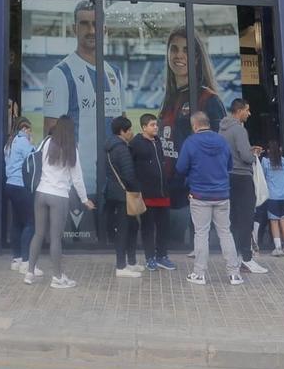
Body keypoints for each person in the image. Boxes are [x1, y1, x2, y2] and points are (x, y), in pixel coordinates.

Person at [44, 1, 123, 232]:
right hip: (77, 186)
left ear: (105, 30)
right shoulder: (60, 73)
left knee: (110, 241)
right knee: (82, 244)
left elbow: (123, 126)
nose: (91, 30)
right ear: (74, 29)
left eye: (97, 24)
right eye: (84, 24)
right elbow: (52, 132)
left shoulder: (114, 73)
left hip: (111, 182)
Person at [157, 29, 224, 254]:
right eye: (174, 49)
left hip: (192, 199)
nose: (179, 55)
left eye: (186, 50)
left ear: (197, 58)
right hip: (168, 195)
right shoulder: (169, 99)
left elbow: (219, 150)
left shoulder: (207, 99)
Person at [24, 115, 94, 288]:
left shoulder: (47, 142)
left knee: (38, 234)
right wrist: (85, 199)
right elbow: (77, 178)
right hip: (59, 196)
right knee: (55, 238)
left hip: (41, 192)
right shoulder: (71, 148)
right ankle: (57, 277)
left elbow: (35, 159)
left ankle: (29, 273)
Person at [176, 110, 245, 286]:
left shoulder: (191, 142)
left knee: (201, 234)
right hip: (222, 194)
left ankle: (199, 273)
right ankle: (234, 274)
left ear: (194, 125)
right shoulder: (222, 141)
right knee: (225, 233)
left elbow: (181, 167)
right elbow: (230, 165)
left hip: (199, 195)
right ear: (208, 123)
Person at [219, 97, 269, 275]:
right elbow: (246, 157)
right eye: (247, 110)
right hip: (242, 177)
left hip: (228, 177)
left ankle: (236, 258)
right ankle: (246, 259)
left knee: (233, 220)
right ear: (239, 111)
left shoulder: (222, 130)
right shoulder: (239, 130)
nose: (249, 113)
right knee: (246, 219)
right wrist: (252, 153)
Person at [131, 113, 174, 270]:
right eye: (152, 125)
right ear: (143, 127)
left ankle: (162, 255)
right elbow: (131, 168)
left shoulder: (157, 141)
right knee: (148, 228)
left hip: (163, 194)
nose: (156, 127)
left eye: (156, 124)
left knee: (163, 227)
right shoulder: (136, 143)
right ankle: (150, 258)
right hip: (147, 195)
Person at [103, 114, 142, 278]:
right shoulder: (121, 148)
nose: (131, 132)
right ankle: (121, 266)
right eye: (129, 130)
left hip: (114, 193)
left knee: (131, 227)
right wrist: (137, 192)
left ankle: (131, 262)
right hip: (124, 195)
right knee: (126, 230)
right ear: (122, 131)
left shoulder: (109, 147)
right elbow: (129, 175)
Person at [3, 117, 36, 267]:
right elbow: (33, 158)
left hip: (10, 184)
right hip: (21, 185)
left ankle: (16, 259)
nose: (30, 132)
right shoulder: (23, 141)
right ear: (24, 129)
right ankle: (26, 261)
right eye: (29, 130)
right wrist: (32, 142)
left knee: (16, 223)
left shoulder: (10, 142)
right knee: (30, 223)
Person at [261, 140, 284, 256]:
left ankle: (278, 248)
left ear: (268, 151)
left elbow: (262, 176)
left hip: (272, 196)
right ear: (280, 149)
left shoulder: (265, 162)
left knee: (274, 222)